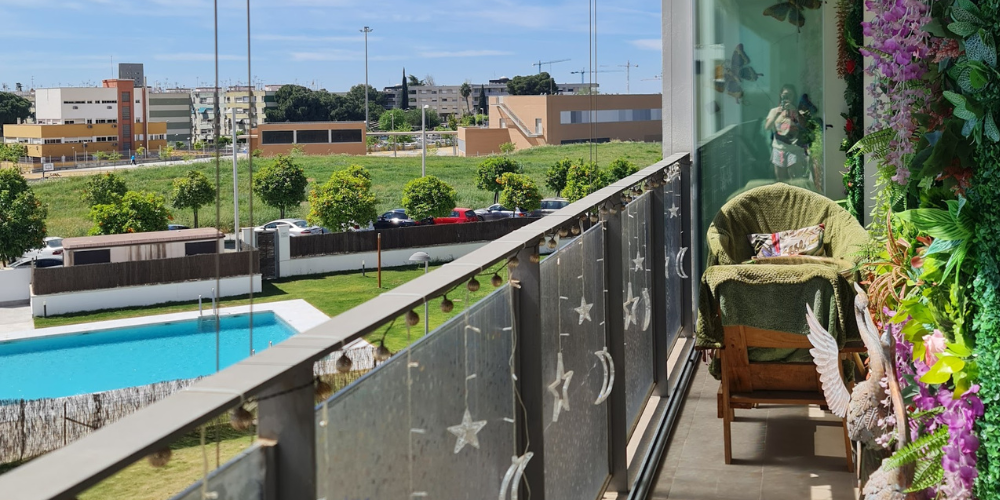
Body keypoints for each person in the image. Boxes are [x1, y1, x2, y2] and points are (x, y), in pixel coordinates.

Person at [764, 84, 808, 180]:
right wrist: (776, 114)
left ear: (794, 96)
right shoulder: (774, 111)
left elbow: (804, 126)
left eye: (790, 95)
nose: (788, 97)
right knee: (781, 179)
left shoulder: (798, 111)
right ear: (781, 95)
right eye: (785, 95)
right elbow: (767, 127)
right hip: (779, 149)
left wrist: (795, 112)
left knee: (795, 178)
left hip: (794, 149)